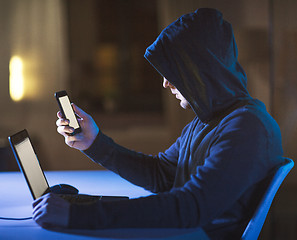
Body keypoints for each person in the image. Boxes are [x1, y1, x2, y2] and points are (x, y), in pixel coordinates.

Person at [32, 8, 284, 239]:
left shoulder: (247, 128)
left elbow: (190, 208)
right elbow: (161, 175)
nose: (165, 83)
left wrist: (77, 215)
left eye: (173, 72)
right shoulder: (211, 120)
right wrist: (94, 143)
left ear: (200, 70)